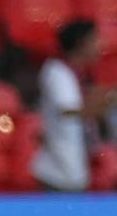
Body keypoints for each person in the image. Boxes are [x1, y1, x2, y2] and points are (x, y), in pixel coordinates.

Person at [30, 19, 100, 192]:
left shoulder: (79, 74)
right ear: (82, 43)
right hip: (58, 171)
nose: (101, 44)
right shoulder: (56, 72)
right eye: (96, 39)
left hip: (75, 170)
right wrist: (105, 102)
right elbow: (67, 110)